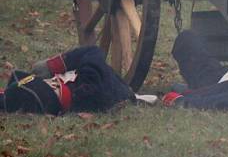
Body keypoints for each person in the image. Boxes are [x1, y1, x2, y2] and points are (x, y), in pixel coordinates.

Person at [0, 46, 134, 115]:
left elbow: (7, 99)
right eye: (48, 81)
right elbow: (94, 51)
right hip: (118, 89)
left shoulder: (76, 100)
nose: (49, 79)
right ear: (54, 85)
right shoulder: (89, 82)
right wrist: (52, 65)